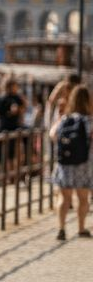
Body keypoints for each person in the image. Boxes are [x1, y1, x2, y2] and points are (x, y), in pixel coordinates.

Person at [50, 84, 93, 240]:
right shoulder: (89, 120)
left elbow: (53, 134)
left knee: (63, 198)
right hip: (84, 164)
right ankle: (81, 228)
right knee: (83, 198)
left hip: (65, 163)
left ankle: (61, 229)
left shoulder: (65, 119)